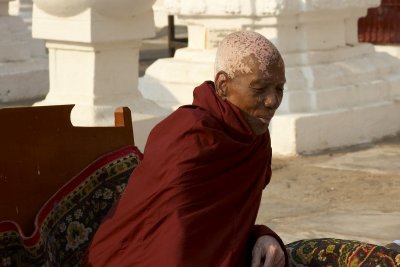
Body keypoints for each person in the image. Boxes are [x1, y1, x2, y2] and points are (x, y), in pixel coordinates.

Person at [84, 31, 287, 267]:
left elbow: (222, 225)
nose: (272, 101)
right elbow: (171, 239)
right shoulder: (188, 136)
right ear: (223, 85)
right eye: (259, 89)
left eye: (279, 89)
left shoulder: (254, 137)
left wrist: (261, 236)